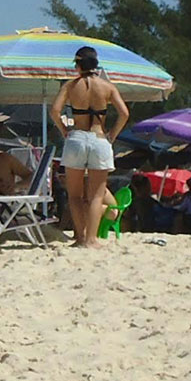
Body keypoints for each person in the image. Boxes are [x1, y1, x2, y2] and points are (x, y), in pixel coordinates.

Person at [50, 49, 126, 247]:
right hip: (99, 138)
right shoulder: (107, 87)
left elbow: (55, 111)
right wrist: (112, 135)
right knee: (96, 195)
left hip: (76, 138)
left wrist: (64, 130)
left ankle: (80, 237)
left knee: (74, 194)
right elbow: (124, 113)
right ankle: (91, 239)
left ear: (78, 65)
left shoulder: (70, 85)